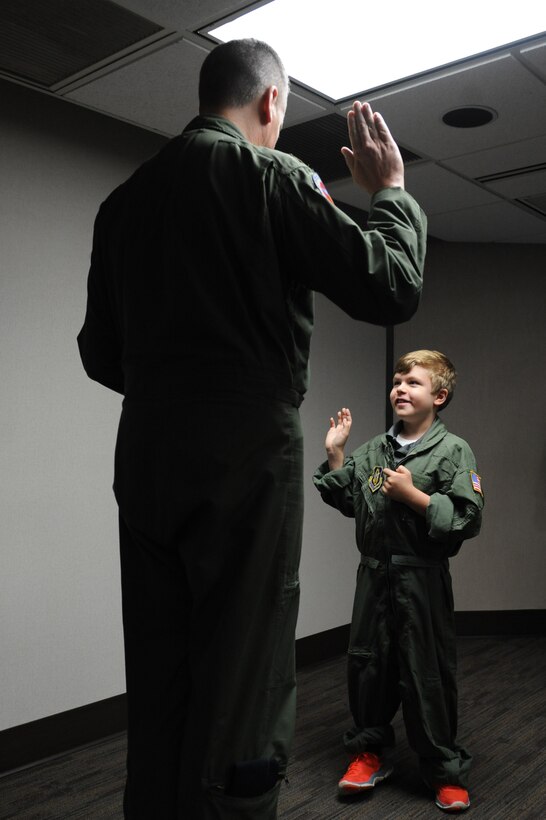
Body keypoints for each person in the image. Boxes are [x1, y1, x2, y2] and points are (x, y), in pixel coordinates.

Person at [77, 37, 427, 820]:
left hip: (147, 453)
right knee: (245, 672)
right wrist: (394, 191)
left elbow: (100, 353)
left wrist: (177, 388)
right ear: (272, 103)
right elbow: (392, 285)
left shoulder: (125, 203)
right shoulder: (273, 178)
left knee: (162, 669)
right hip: (246, 457)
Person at [313, 350, 484, 813]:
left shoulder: (454, 451)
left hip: (421, 579)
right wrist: (335, 456)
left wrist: (415, 497)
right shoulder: (373, 451)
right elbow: (352, 500)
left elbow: (467, 518)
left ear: (440, 396)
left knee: (427, 671)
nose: (401, 389)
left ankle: (443, 769)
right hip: (373, 577)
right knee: (369, 666)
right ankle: (368, 754)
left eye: (414, 383)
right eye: (397, 382)